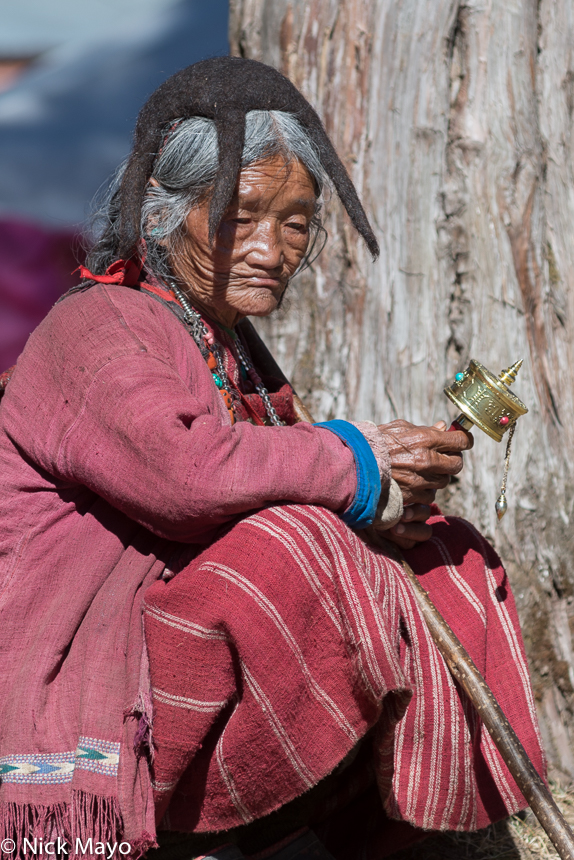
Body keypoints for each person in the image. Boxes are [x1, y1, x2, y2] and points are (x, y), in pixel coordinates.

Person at [0, 57, 545, 860]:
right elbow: (186, 476)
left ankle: (418, 824)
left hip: (174, 646)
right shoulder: (103, 325)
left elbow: (273, 468)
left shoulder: (233, 350)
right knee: (304, 546)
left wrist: (398, 499)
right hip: (95, 671)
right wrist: (356, 464)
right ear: (159, 212)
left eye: (296, 223)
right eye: (241, 214)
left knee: (441, 554)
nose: (271, 248)